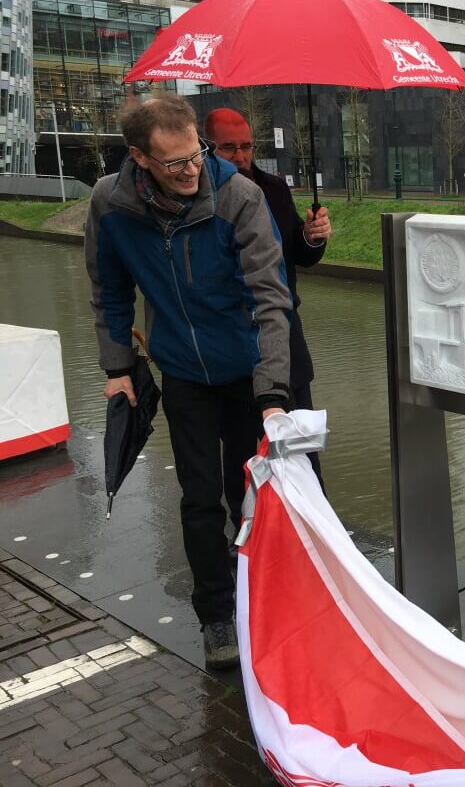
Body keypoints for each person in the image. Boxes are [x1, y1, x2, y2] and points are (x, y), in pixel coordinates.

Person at [85, 94, 292, 670]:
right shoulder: (110, 204)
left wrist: (274, 393)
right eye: (174, 162)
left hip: (248, 372)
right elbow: (108, 291)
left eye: (196, 154)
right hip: (182, 374)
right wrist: (118, 368)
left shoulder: (238, 196)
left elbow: (272, 298)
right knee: (199, 499)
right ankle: (216, 616)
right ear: (140, 158)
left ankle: (267, 596)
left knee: (250, 495)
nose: (191, 169)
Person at [204, 108, 331, 497]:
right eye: (229, 148)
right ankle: (248, 540)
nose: (241, 156)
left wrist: (312, 235)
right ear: (206, 147)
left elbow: (299, 255)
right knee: (243, 453)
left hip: (285, 340)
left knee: (302, 449)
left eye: (246, 146)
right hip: (233, 346)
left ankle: (313, 531)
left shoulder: (273, 188)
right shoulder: (202, 198)